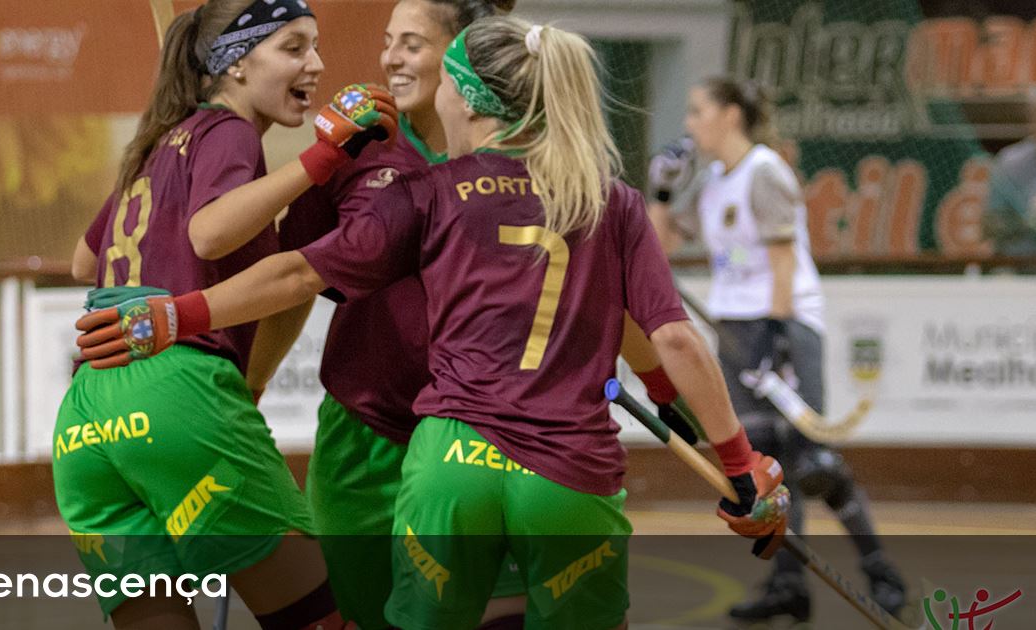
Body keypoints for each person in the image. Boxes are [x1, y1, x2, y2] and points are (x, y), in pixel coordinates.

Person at [74, 17, 790, 630]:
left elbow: (296, 275)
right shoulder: (609, 199)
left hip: (451, 463)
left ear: (467, 97)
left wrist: (177, 314)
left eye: (432, 63)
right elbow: (669, 337)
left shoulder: (430, 192)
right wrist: (739, 463)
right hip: (568, 471)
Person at [57, 1, 395, 627]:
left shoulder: (157, 144)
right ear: (236, 63)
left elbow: (84, 261)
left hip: (86, 415)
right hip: (175, 389)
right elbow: (209, 235)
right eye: (294, 47)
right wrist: (320, 159)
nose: (316, 64)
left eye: (315, 46)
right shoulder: (228, 132)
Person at [273, 1, 526, 628]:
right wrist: (247, 384)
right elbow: (294, 277)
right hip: (362, 440)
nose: (389, 59)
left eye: (411, 44)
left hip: (482, 441)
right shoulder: (357, 150)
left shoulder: (527, 155)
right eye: (388, 41)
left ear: (463, 52)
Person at [652, 75, 906, 624]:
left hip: (784, 326)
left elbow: (784, 264)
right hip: (735, 329)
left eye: (698, 111)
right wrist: (664, 193)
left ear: (730, 115)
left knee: (814, 463)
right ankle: (788, 585)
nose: (689, 124)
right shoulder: (713, 181)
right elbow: (659, 246)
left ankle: (882, 571)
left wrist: (780, 339)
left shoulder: (764, 171)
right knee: (767, 466)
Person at [985, 76, 1036, 255]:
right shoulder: (1010, 161)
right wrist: (1022, 221)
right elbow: (990, 223)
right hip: (1017, 264)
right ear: (1033, 117)